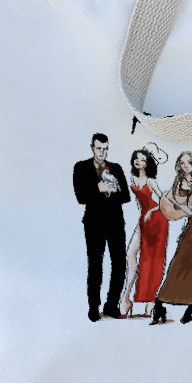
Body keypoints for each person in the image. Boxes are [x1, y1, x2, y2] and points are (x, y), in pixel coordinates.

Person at [150, 151, 192, 325]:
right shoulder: (178, 183)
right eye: (182, 162)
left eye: (188, 162)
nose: (185, 165)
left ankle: (189, 309)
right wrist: (186, 209)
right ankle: (160, 304)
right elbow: (170, 199)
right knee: (179, 263)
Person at [72, 133, 130, 322]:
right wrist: (99, 188)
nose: (102, 152)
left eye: (105, 149)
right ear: (92, 148)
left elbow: (126, 196)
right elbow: (80, 196)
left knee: (119, 264)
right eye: (99, 148)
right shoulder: (81, 167)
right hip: (94, 223)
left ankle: (111, 305)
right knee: (95, 264)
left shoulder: (116, 168)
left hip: (116, 222)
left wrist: (113, 189)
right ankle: (93, 307)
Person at [120, 147, 168, 318]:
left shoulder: (151, 181)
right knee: (130, 255)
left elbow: (163, 200)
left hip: (156, 220)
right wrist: (143, 216)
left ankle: (151, 302)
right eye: (136, 158)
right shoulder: (132, 178)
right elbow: (139, 201)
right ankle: (126, 298)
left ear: (147, 164)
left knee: (153, 259)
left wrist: (151, 211)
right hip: (143, 219)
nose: (138, 161)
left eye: (142, 159)